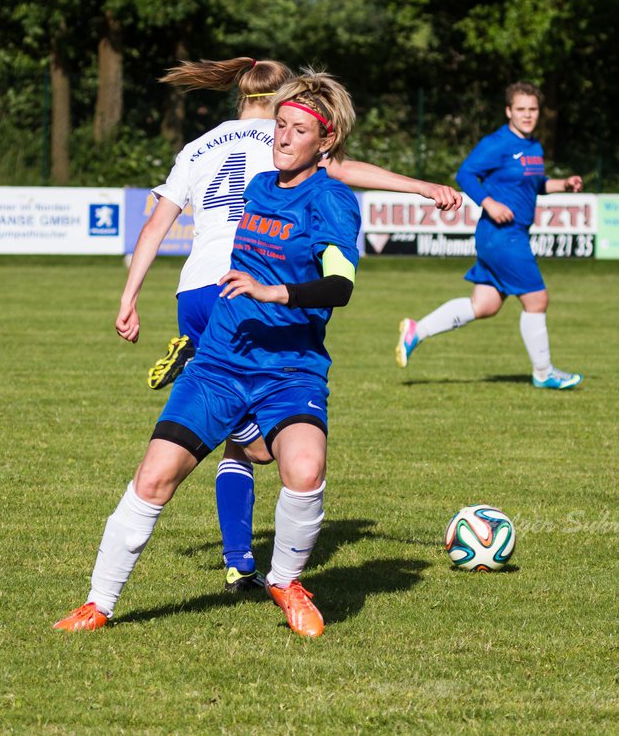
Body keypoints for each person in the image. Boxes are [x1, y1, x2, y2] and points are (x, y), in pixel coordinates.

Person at [59, 69, 426, 638]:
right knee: (154, 477)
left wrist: (274, 291)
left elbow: (340, 286)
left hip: (290, 367)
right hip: (222, 362)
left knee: (304, 469)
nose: (280, 138)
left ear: (324, 142)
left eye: (296, 130)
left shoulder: (333, 201)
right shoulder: (258, 186)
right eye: (278, 125)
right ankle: (98, 604)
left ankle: (285, 580)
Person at [395, 81, 584, 389]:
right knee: (537, 300)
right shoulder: (497, 143)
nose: (527, 115)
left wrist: (563, 184)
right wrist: (489, 202)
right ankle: (544, 372)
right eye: (521, 109)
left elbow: (534, 184)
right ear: (509, 111)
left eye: (532, 109)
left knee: (484, 305)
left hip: (509, 234)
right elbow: (465, 174)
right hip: (501, 235)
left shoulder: (533, 146)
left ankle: (417, 330)